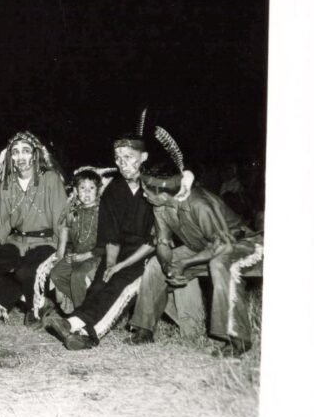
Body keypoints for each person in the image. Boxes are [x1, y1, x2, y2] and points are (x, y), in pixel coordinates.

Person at [129, 128, 264, 357]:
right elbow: (163, 242)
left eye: (146, 191)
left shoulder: (199, 204)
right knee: (155, 265)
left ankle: (237, 339)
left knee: (221, 264)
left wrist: (184, 264)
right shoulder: (160, 206)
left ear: (164, 193)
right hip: (204, 249)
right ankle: (144, 330)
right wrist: (168, 266)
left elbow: (223, 246)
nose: (143, 194)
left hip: (244, 245)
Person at [44, 127, 157, 350]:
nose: (122, 163)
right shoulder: (114, 189)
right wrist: (111, 263)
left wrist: (120, 266)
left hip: (146, 252)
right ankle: (76, 327)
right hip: (119, 249)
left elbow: (155, 240)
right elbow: (111, 235)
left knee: (120, 284)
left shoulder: (155, 186)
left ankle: (84, 330)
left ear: (144, 157)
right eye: (118, 158)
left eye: (128, 157)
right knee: (100, 282)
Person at [0, 131, 68, 323]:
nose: (20, 156)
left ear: (35, 154)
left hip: (45, 242)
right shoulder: (6, 185)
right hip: (16, 241)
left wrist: (61, 252)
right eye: (15, 152)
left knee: (25, 271)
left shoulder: (50, 179)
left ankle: (35, 309)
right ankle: (26, 298)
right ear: (10, 157)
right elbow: (0, 225)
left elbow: (62, 219)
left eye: (26, 151)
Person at [42, 168, 106, 315]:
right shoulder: (72, 211)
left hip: (95, 255)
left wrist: (87, 255)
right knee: (56, 274)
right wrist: (64, 254)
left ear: (98, 190)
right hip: (75, 254)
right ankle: (82, 303)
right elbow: (66, 233)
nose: (87, 192)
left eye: (91, 188)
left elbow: (107, 242)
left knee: (78, 275)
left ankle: (80, 314)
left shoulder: (102, 212)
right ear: (76, 191)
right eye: (82, 188)